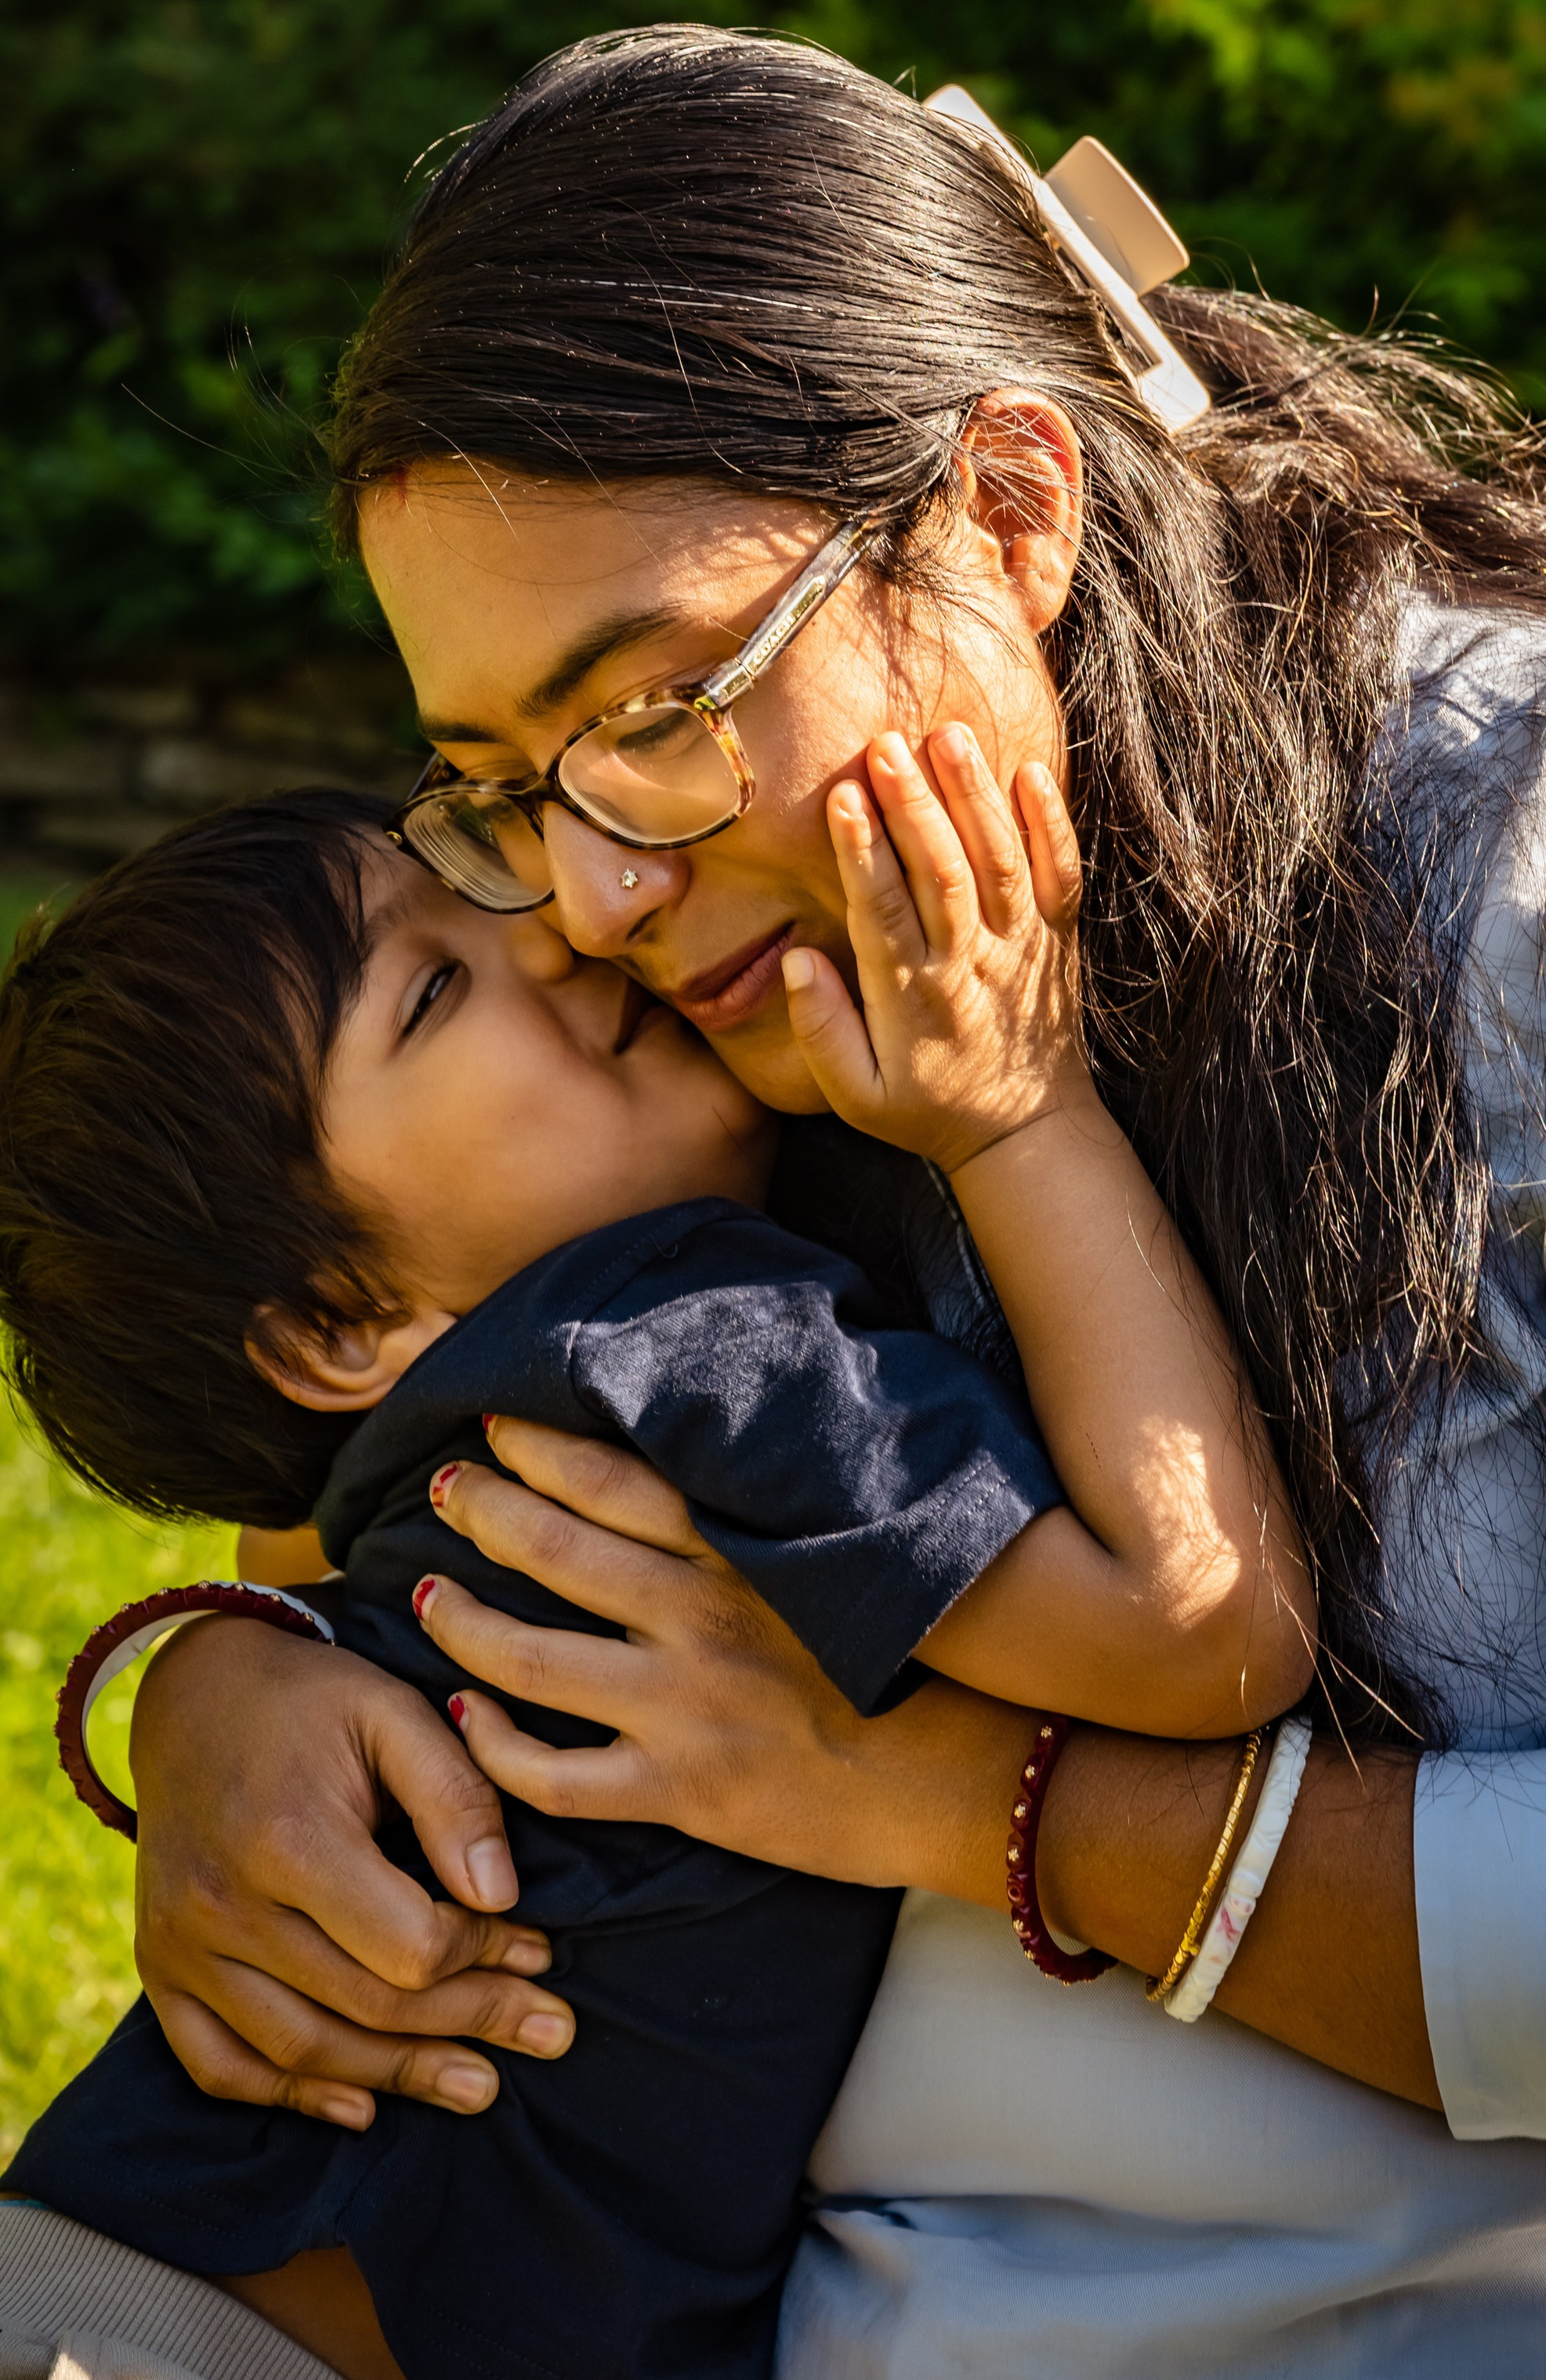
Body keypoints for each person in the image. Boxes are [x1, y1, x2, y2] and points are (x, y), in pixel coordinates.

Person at [46, 27, 1546, 2377]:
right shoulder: (732, 996)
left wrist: (983, 1805)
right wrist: (220, 1682)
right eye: (502, 775)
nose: (587, 893)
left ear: (1004, 511)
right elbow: (409, 1338)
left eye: (661, 704)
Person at [0, 729, 1308, 2379]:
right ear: (339, 1323)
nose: (556, 925)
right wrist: (1015, 1112)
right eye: (432, 992)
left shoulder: (494, 1399)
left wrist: (210, 1659)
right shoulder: (676, 1338)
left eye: (483, 895)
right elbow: (1200, 1631)